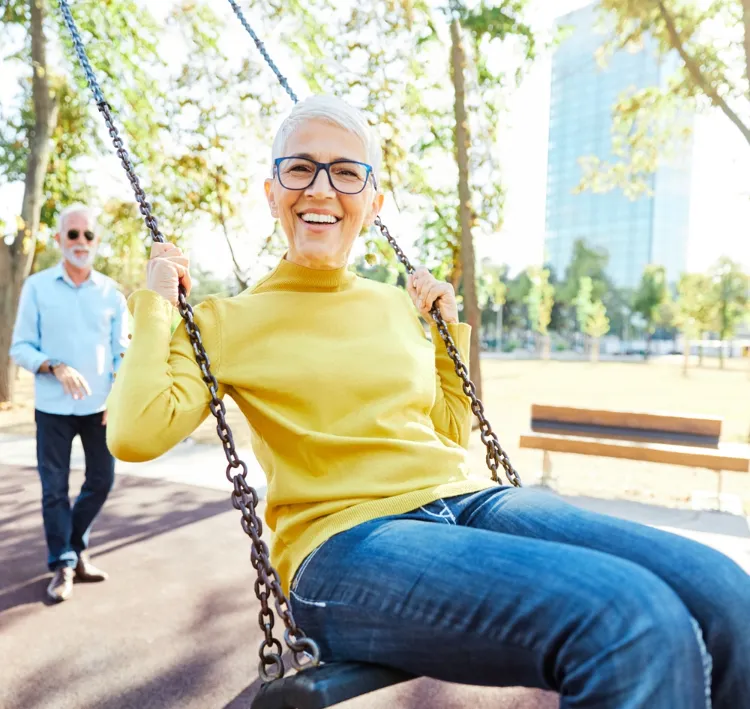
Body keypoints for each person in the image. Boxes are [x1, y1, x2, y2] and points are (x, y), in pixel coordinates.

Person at [105, 96, 749, 708]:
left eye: (346, 173)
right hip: (347, 545)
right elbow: (135, 433)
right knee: (628, 617)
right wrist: (158, 302)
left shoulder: (394, 303)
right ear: (271, 191)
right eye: (300, 168)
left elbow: (447, 434)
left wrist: (447, 337)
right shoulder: (223, 321)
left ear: (373, 199)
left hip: (471, 501)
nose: (322, 189)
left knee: (725, 592)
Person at [10, 203, 129, 603]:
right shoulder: (37, 287)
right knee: (54, 490)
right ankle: (64, 562)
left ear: (96, 241)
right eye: (72, 234)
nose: (81, 242)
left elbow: (122, 353)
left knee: (102, 480)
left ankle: (73, 546)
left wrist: (119, 393)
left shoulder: (111, 293)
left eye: (88, 235)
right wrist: (53, 365)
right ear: (59, 239)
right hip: (52, 409)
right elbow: (20, 346)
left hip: (100, 409)